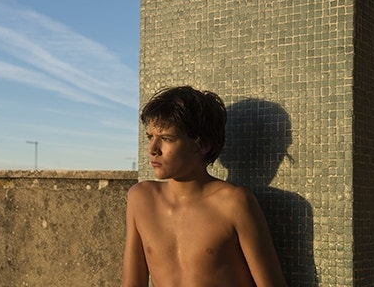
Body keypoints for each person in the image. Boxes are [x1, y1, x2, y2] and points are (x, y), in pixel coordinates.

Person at [122, 86, 287, 287]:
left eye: (166, 138)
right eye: (150, 137)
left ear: (202, 145)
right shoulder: (141, 198)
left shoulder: (234, 203)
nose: (153, 149)